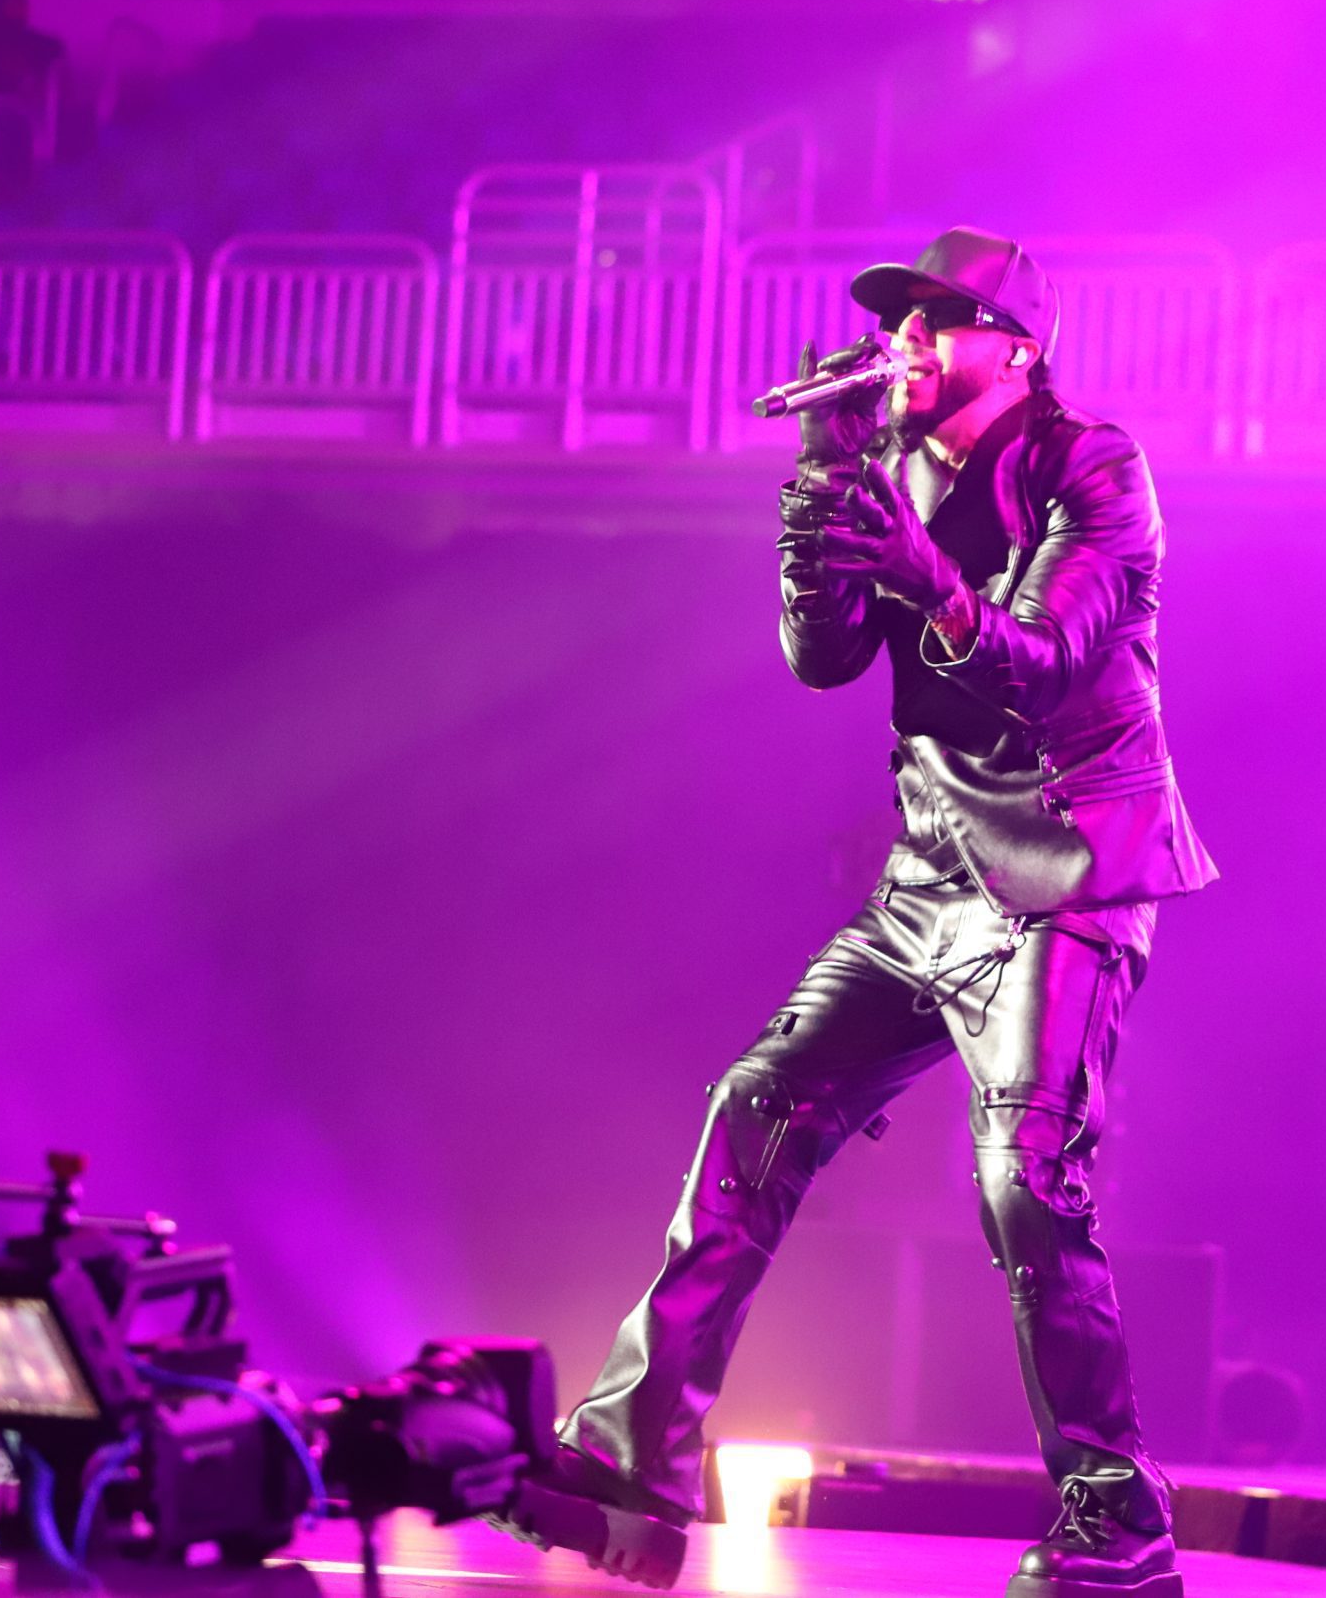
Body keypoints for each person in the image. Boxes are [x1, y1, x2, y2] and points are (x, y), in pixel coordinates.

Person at [494, 227, 1218, 1597]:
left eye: (941, 320)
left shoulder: (1092, 467)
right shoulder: (883, 464)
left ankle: (1117, 1516)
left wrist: (919, 564)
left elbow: (1046, 665)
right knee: (756, 1109)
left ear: (1018, 350)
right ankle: (633, 1457)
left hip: (1068, 870)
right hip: (931, 875)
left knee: (1026, 1181)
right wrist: (818, 496)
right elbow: (821, 661)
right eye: (899, 319)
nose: (906, 340)